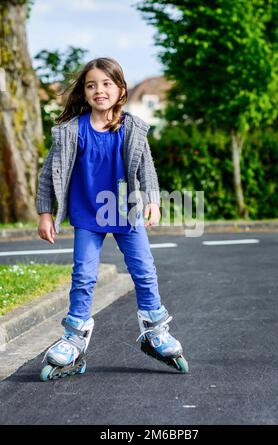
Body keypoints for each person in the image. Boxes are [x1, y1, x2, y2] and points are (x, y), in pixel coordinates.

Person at [37, 57, 188, 380]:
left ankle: (154, 330)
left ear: (121, 89)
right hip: (87, 215)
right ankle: (74, 337)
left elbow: (146, 167)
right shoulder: (71, 131)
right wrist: (45, 212)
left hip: (127, 212)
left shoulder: (132, 128)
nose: (98, 90)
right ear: (84, 91)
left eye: (106, 84)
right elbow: (50, 173)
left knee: (144, 271)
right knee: (84, 277)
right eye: (91, 85)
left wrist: (153, 201)